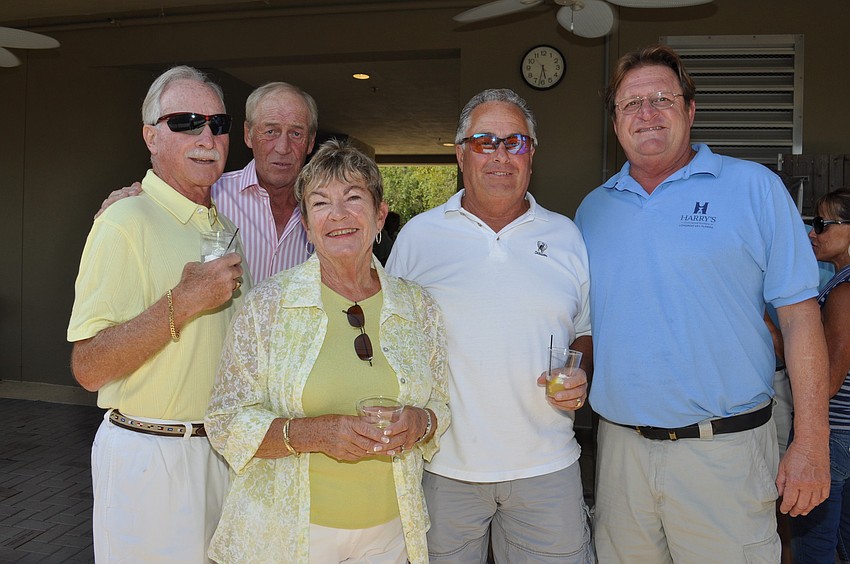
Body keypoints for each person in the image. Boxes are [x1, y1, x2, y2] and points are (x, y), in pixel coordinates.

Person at [575, 44, 830, 562]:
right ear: (615, 122)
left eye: (661, 99)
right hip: (620, 458)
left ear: (690, 110)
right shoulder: (593, 210)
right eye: (630, 104)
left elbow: (802, 321)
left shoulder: (754, 188)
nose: (646, 114)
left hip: (726, 456)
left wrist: (811, 442)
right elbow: (585, 325)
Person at [204, 139, 449, 564]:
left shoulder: (417, 306)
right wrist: (312, 434)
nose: (338, 215)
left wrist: (420, 422)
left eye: (354, 198)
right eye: (320, 203)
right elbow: (225, 420)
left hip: (390, 531)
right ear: (306, 223)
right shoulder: (268, 304)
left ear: (380, 216)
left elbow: (441, 404)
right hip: (290, 535)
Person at [386, 89, 595, 563]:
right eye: (485, 141)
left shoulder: (566, 235)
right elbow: (390, 339)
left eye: (515, 142)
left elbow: (583, 330)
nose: (501, 155)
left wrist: (582, 373)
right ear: (461, 154)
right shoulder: (420, 237)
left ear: (532, 155)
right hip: (444, 467)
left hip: (547, 468)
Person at [67, 66, 251, 562]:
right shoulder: (124, 221)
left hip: (220, 455)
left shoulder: (224, 227)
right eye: (186, 121)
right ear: (151, 136)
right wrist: (184, 302)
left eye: (218, 123)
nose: (207, 136)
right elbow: (88, 367)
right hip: (150, 457)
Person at [98, 81, 318, 282]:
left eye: (296, 134)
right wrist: (119, 214)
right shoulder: (205, 196)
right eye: (270, 131)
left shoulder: (330, 210)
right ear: (248, 135)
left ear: (310, 142)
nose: (283, 147)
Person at [790, 188, 850, 563]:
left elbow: (827, 381)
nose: (812, 233)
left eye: (820, 224)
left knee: (815, 551)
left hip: (834, 436)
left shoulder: (844, 290)